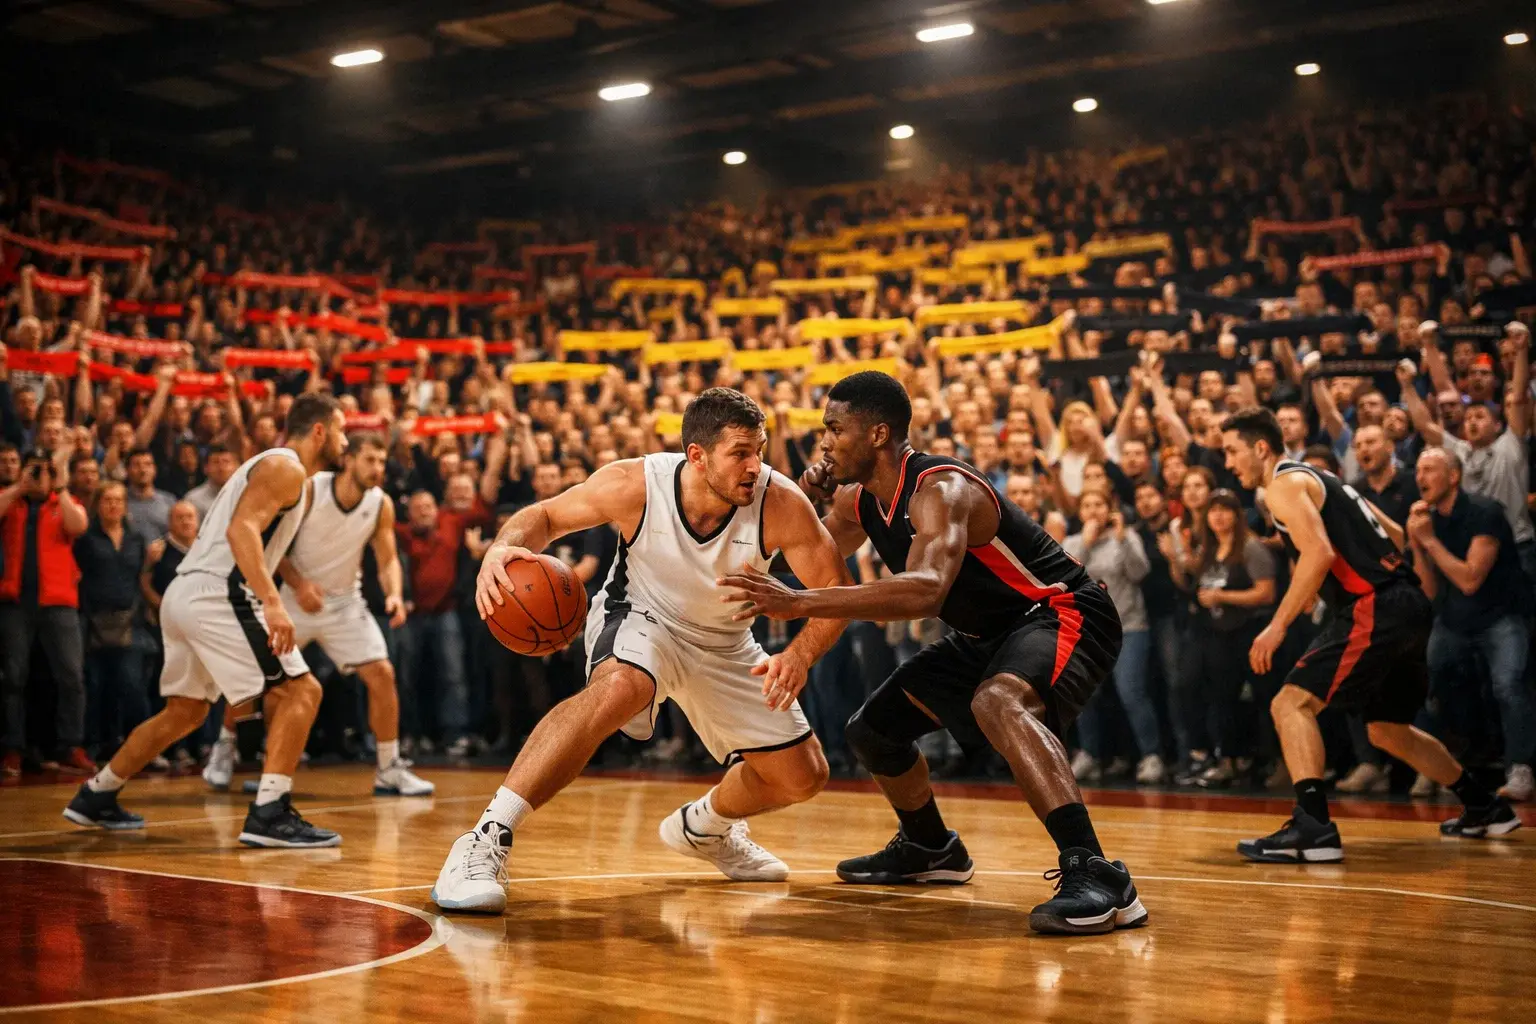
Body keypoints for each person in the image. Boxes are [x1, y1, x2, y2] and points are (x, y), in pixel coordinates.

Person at [720, 372, 1145, 936]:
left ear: (877, 435)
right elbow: (810, 561)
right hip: (985, 635)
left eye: (833, 428)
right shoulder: (855, 500)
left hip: (1063, 611)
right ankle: (930, 846)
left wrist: (801, 604)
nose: (824, 441)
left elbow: (925, 590)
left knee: (999, 703)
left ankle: (1096, 872)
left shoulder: (940, 490)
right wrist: (796, 506)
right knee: (873, 730)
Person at [431, 388, 851, 913]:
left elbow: (834, 591)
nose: (755, 465)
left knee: (803, 776)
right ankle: (484, 838)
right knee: (623, 688)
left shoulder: (781, 503)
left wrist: (800, 655)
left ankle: (707, 827)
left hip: (725, 641)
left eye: (760, 450)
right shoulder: (637, 483)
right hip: (640, 617)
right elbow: (546, 516)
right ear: (697, 456)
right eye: (740, 452)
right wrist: (501, 548)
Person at [1220, 408, 1519, 862]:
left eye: (1231, 451)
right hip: (1408, 604)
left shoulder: (1282, 484)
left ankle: (1314, 827)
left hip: (1375, 606)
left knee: (1290, 703)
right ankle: (1484, 805)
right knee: (1387, 730)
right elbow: (1395, 535)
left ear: (1260, 448)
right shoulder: (1321, 478)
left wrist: (1276, 626)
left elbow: (1319, 551)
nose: (1227, 462)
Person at [63, 393, 351, 848]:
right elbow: (242, 531)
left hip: (187, 592)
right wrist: (273, 602)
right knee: (302, 690)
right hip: (220, 595)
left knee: (185, 711)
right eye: (341, 429)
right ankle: (269, 814)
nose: (345, 439)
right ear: (319, 430)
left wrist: (290, 586)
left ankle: (96, 795)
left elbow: (260, 542)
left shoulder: (281, 471)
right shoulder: (287, 466)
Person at [201, 432, 431, 797]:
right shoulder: (310, 490)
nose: (377, 469)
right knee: (254, 678)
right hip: (292, 600)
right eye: (370, 460)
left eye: (382, 462)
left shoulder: (380, 503)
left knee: (382, 674)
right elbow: (273, 546)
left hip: (343, 604)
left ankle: (388, 767)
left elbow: (387, 558)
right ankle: (224, 748)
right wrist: (298, 583)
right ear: (349, 459)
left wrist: (395, 595)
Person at [1408, 447, 1535, 803]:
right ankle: (1433, 766)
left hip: (1500, 615)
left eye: (1430, 470)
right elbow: (1429, 589)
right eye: (1418, 470)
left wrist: (1429, 540)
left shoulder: (1485, 513)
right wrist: (1417, 544)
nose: (1420, 478)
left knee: (1509, 686)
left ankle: (1520, 769)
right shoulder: (1428, 521)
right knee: (1425, 686)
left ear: (1453, 476)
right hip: (1453, 619)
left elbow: (1469, 580)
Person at [0, 448, 91, 775]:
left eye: (43, 472)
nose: (38, 477)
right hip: (16, 603)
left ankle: (71, 744)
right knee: (13, 679)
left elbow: (78, 526)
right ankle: (13, 747)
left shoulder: (62, 502)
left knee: (71, 677)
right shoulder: (11, 502)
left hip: (59, 602)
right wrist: (19, 486)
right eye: (33, 470)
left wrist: (61, 485)